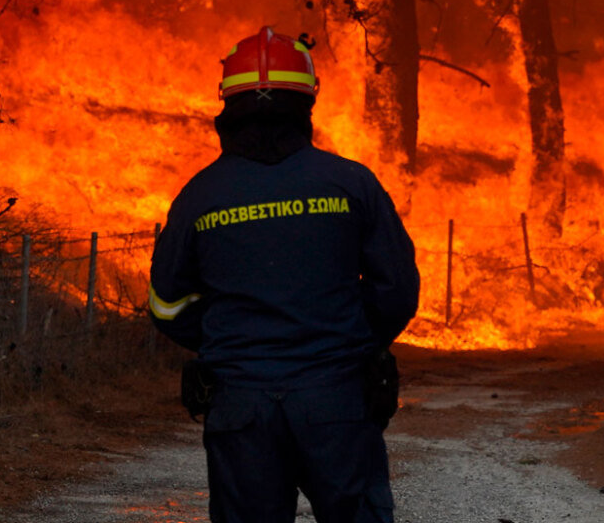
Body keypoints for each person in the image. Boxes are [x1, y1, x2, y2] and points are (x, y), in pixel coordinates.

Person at [148, 26, 420, 523]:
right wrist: (351, 341)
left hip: (241, 408)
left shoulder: (200, 196)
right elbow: (398, 292)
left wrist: (224, 337)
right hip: (337, 402)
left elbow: (165, 303)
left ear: (228, 104)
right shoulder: (351, 184)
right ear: (308, 101)